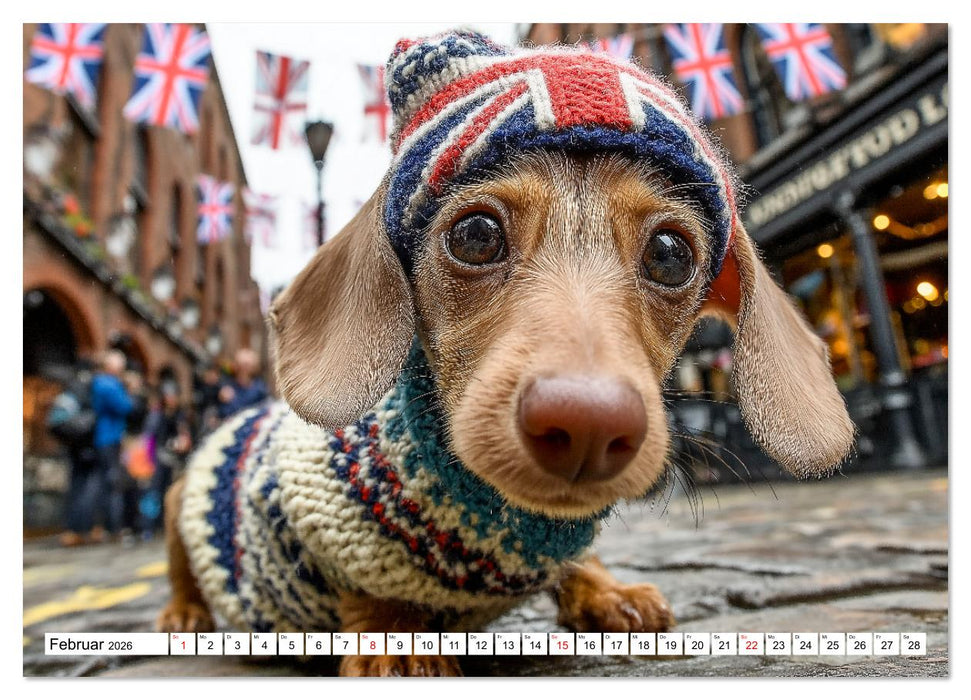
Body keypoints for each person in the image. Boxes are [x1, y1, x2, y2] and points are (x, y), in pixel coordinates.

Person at [89, 350, 134, 541]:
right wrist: (128, 390)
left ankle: (106, 526)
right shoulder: (108, 383)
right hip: (109, 438)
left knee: (107, 482)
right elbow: (125, 406)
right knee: (113, 483)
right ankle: (112, 527)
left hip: (105, 438)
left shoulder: (99, 382)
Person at [142, 382, 193, 537]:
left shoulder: (180, 415)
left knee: (170, 493)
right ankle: (148, 527)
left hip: (174, 459)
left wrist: (183, 442)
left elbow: (186, 435)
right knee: (154, 493)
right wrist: (149, 460)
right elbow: (150, 438)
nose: (171, 399)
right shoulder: (157, 415)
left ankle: (167, 525)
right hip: (158, 458)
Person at [217, 348, 269, 419]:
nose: (243, 369)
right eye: (241, 365)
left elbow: (264, 409)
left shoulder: (260, 388)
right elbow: (223, 412)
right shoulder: (227, 386)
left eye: (247, 365)